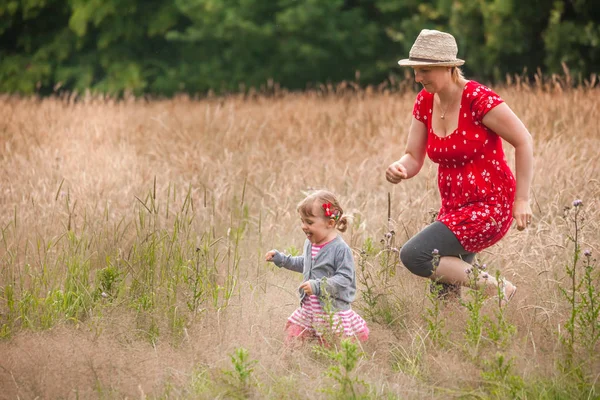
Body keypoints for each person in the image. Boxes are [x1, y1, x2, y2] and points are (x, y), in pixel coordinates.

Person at [386, 29, 533, 303]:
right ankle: (455, 340)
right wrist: (400, 168)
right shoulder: (425, 102)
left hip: (490, 204)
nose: (417, 77)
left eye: (424, 70)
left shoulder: (479, 99)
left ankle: (500, 288)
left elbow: (524, 140)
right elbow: (413, 157)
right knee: (443, 292)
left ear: (448, 67)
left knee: (416, 254)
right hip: (454, 207)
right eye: (415, 70)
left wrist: (522, 200)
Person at [265, 190, 369, 344]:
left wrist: (318, 286)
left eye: (309, 222)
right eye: (302, 221)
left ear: (330, 223)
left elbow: (345, 278)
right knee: (293, 340)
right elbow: (306, 264)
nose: (303, 226)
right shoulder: (310, 243)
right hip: (309, 310)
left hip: (331, 312)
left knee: (330, 348)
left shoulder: (340, 249)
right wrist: (282, 260)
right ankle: (291, 362)